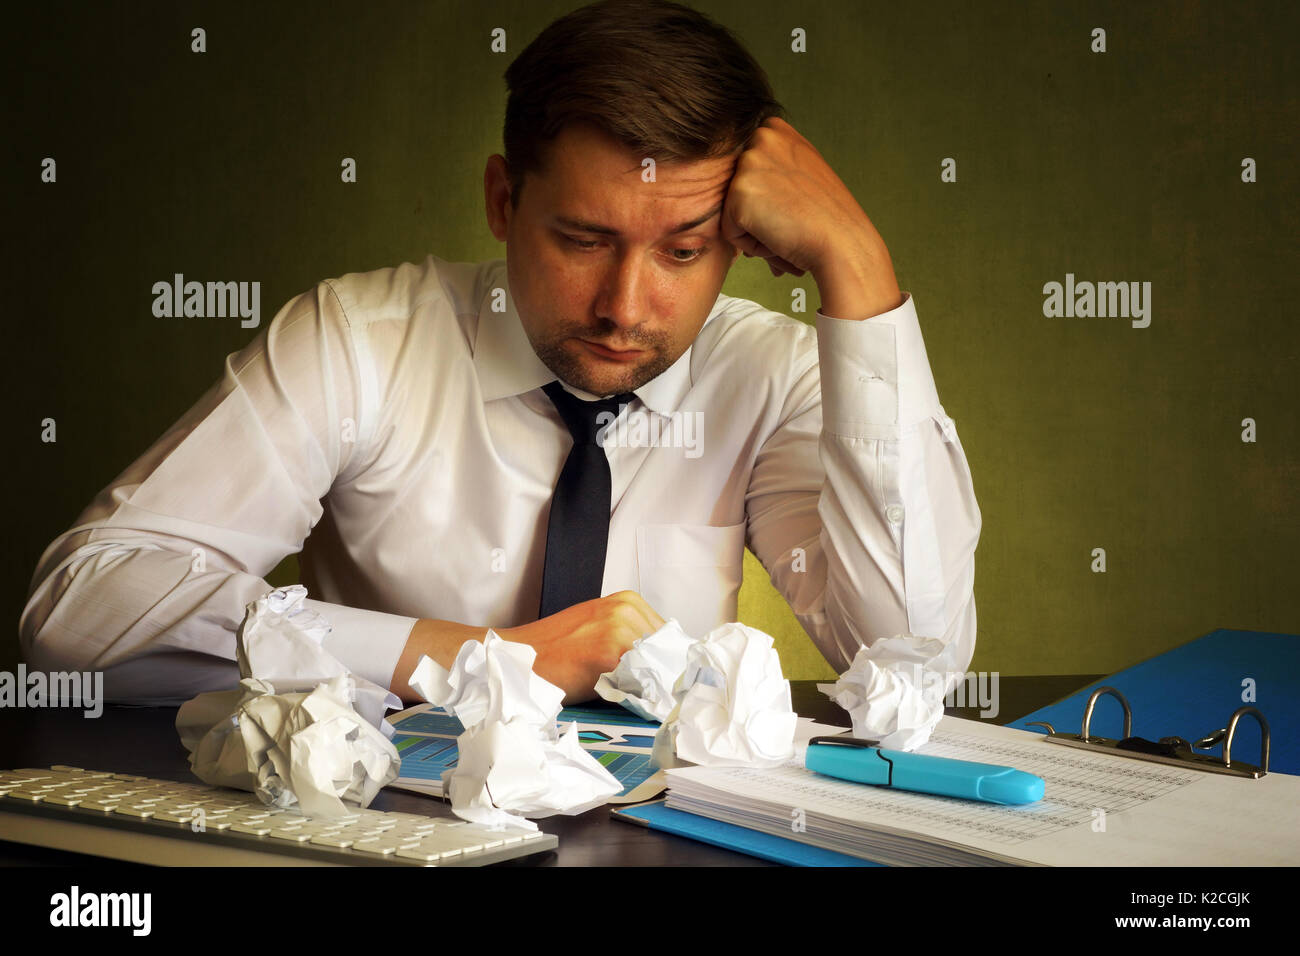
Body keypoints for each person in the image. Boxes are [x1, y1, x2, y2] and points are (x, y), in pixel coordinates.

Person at [20, 0, 980, 706]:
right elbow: (83, 609)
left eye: (682, 252)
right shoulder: (361, 342)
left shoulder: (773, 377)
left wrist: (858, 266)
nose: (624, 306)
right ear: (501, 202)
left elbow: (916, 663)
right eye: (583, 240)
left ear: (737, 242)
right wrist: (475, 657)